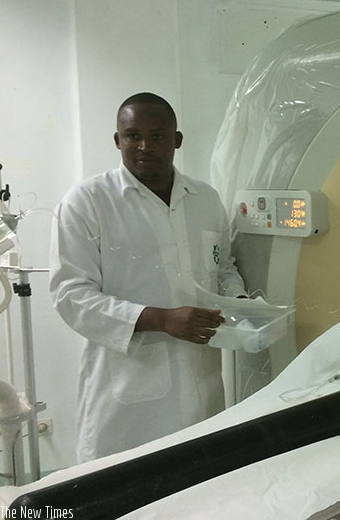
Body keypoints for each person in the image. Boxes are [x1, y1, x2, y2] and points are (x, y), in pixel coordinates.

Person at [50, 92, 248, 462]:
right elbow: (70, 294)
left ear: (177, 140)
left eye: (157, 135)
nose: (144, 146)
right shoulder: (88, 201)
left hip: (202, 382)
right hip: (126, 393)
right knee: (125, 494)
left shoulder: (204, 199)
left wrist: (238, 304)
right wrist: (160, 319)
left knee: (200, 488)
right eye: (132, 135)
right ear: (117, 140)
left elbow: (223, 268)